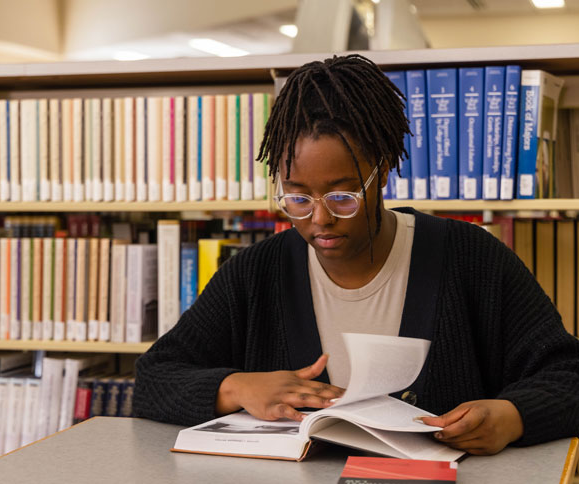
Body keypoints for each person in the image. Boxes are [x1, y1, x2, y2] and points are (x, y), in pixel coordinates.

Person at [132, 54, 579, 456]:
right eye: (297, 198)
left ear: (381, 172)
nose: (320, 219)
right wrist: (234, 387)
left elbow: (568, 374)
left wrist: (514, 415)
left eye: (343, 196)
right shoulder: (256, 272)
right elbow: (153, 378)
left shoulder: (471, 259)